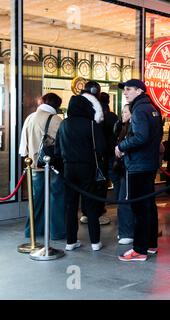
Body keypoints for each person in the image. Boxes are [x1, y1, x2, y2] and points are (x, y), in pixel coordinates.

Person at [55, 81, 106, 251]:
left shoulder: (63, 124)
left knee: (70, 206)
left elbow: (57, 150)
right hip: (88, 167)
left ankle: (70, 242)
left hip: (68, 168)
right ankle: (95, 242)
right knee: (90, 205)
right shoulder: (91, 124)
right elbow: (101, 148)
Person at [115, 79, 163, 262]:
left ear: (139, 91)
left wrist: (121, 146)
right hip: (148, 163)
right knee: (148, 206)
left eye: (128, 89)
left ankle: (139, 250)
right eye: (124, 90)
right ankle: (150, 244)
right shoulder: (152, 108)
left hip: (138, 165)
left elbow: (141, 137)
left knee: (139, 208)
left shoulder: (139, 110)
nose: (125, 93)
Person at [19, 93, 66, 240]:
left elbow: (23, 148)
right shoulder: (55, 120)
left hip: (34, 165)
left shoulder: (30, 118)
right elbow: (63, 143)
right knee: (56, 198)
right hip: (52, 166)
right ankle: (57, 232)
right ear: (56, 106)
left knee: (36, 200)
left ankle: (33, 230)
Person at [79, 92, 116, 225]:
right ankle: (99, 213)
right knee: (101, 185)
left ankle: (86, 213)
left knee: (88, 186)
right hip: (106, 156)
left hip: (89, 157)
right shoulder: (111, 117)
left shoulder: (89, 117)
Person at [113, 104, 135, 245]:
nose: (123, 114)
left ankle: (127, 232)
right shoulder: (124, 127)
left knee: (125, 200)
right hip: (124, 169)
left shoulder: (133, 128)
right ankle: (125, 231)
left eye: (125, 111)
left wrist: (122, 149)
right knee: (123, 199)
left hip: (130, 168)